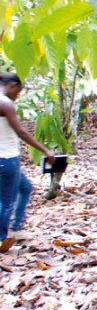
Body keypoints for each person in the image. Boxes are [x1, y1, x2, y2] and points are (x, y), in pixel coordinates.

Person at [0, 73, 55, 253]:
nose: (18, 96)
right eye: (19, 91)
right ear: (12, 85)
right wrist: (45, 150)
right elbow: (21, 132)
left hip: (6, 159)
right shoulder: (5, 103)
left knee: (25, 188)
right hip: (7, 159)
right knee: (6, 200)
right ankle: (2, 239)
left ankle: (17, 227)